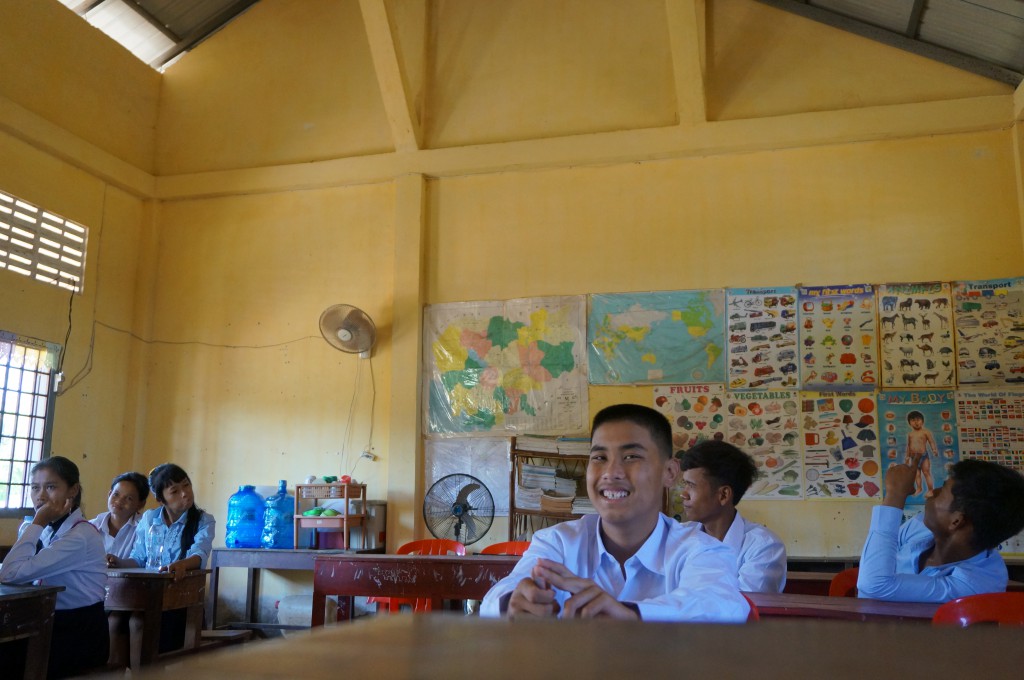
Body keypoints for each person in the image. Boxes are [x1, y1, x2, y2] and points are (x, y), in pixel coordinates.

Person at [480, 404, 749, 622]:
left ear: (669, 473)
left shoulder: (700, 550)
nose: (611, 473)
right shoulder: (558, 542)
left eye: (631, 457)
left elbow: (722, 604)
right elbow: (500, 594)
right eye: (599, 458)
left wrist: (630, 614)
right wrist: (512, 602)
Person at [857, 458, 1024, 602]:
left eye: (942, 490)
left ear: (956, 521)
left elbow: (872, 586)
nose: (931, 493)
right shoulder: (919, 525)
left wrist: (895, 494)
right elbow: (870, 575)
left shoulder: (977, 584)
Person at [0, 456, 108, 678]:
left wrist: (37, 521)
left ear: (73, 490)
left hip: (77, 632)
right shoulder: (41, 528)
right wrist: (36, 524)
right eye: (35, 487)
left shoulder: (81, 535)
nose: (40, 496)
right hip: (45, 622)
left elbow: (10, 574)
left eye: (50, 487)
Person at [108, 463, 216, 665]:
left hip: (179, 593)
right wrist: (118, 561)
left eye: (186, 485)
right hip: (146, 593)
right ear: (160, 499)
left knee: (138, 621)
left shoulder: (203, 520)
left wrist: (182, 565)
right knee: (114, 619)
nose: (185, 494)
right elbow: (139, 559)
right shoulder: (149, 519)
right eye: (174, 491)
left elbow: (200, 553)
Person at [678, 440, 787, 593]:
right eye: (685, 484)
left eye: (691, 485)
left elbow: (741, 610)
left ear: (723, 495)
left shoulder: (764, 547)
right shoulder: (679, 536)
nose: (683, 494)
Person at [90, 471, 150, 564]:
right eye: (116, 494)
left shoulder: (145, 529)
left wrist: (120, 563)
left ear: (140, 504)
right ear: (109, 494)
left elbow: (141, 562)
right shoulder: (90, 526)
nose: (119, 501)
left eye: (128, 498)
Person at [905, 410, 937, 495]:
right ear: (909, 423)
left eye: (918, 420)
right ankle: (919, 488)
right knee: (917, 474)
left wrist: (934, 449)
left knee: (926, 472)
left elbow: (931, 441)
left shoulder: (926, 432)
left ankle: (930, 490)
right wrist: (907, 456)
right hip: (913, 456)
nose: (916, 422)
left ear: (922, 421)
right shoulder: (910, 434)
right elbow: (908, 445)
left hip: (923, 455)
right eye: (913, 420)